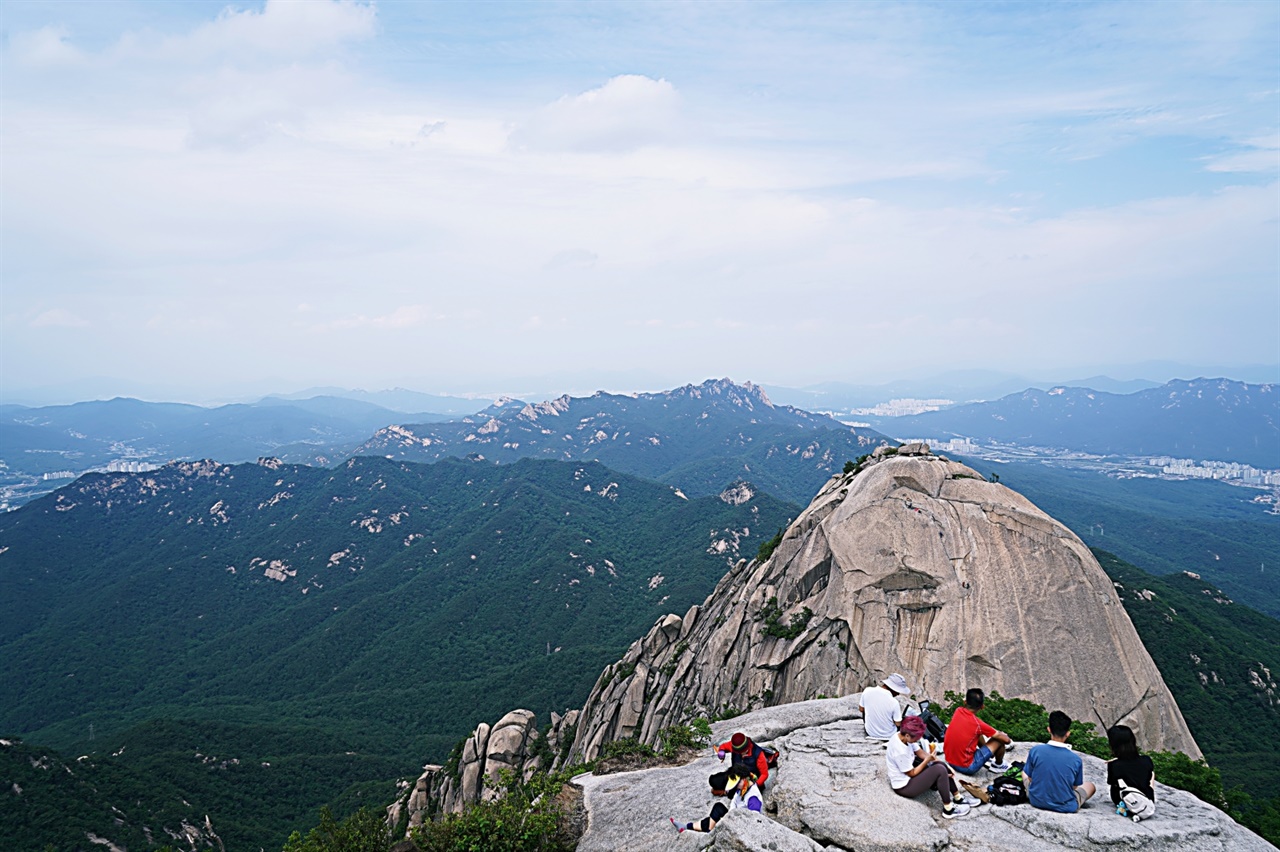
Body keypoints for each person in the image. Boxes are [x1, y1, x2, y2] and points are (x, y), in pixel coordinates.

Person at [886, 716, 974, 819]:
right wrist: (928, 761)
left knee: (941, 766)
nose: (917, 740)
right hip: (904, 786)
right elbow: (912, 773)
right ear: (907, 735)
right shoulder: (900, 751)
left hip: (910, 777)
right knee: (939, 770)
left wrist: (943, 765)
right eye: (916, 738)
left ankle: (957, 797)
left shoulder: (903, 736)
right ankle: (948, 809)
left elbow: (921, 753)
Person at [1023, 710, 1097, 813]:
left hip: (1036, 800)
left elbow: (1030, 778)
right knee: (1090, 786)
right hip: (1065, 806)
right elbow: (1074, 786)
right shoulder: (1076, 759)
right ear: (1068, 734)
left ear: (1049, 730)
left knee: (1024, 772)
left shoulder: (1036, 750)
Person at [943, 687, 1012, 774]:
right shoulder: (978, 724)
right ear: (982, 707)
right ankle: (998, 765)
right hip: (967, 767)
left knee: (977, 733)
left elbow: (974, 728)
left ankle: (987, 756)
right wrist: (1001, 734)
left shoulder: (958, 711)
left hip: (949, 760)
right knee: (999, 740)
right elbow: (1007, 741)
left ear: (965, 702)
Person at [671, 771, 762, 833]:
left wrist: (732, 819)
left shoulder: (752, 798)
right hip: (736, 817)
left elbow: (754, 820)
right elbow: (734, 801)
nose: (736, 787)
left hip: (743, 824)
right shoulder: (742, 788)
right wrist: (730, 816)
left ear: (743, 779)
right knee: (713, 819)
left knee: (718, 809)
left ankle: (709, 833)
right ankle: (686, 827)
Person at [1106, 725, 1155, 808]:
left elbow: (1111, 782)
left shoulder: (1114, 765)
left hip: (1124, 801)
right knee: (1152, 774)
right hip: (1147, 799)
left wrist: (1115, 762)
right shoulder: (1147, 760)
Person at [860, 673, 910, 740]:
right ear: (893, 688)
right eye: (898, 691)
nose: (898, 694)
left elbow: (861, 709)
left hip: (870, 732)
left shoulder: (867, 691)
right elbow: (898, 724)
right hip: (889, 735)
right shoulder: (894, 702)